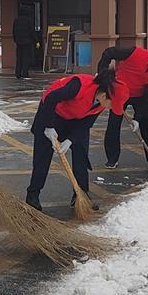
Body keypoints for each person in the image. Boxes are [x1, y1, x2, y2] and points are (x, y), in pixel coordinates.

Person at [25, 69, 124, 212]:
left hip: (76, 120)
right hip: (51, 113)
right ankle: (33, 195)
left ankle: (81, 194)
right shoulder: (79, 85)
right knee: (43, 156)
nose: (112, 108)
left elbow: (86, 123)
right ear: (104, 95)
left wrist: (70, 140)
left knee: (81, 153)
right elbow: (51, 98)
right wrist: (49, 126)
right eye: (113, 104)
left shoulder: (102, 102)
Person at [97, 45, 148, 169]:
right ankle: (112, 158)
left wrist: (137, 118)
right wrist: (103, 76)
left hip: (141, 96)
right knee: (114, 123)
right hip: (120, 92)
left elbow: (147, 96)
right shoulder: (134, 53)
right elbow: (108, 52)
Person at [12, 6, 37, 79]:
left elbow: (13, 31)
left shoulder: (16, 20)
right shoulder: (29, 20)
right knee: (26, 58)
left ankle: (18, 73)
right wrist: (36, 40)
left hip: (19, 42)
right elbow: (32, 31)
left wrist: (15, 40)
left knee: (19, 58)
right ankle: (24, 73)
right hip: (27, 42)